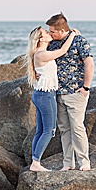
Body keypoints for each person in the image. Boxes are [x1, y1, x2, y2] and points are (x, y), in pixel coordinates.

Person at [24, 25, 78, 172]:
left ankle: (35, 161)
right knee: (49, 130)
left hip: (42, 94)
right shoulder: (41, 54)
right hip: (46, 95)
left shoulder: (41, 53)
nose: (49, 33)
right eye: (46, 32)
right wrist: (72, 35)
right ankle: (36, 163)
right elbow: (62, 51)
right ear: (40, 39)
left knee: (41, 131)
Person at [46, 12, 94, 171]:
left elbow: (89, 64)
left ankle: (84, 162)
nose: (50, 33)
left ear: (61, 30)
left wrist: (86, 87)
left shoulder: (79, 41)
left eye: (52, 31)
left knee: (77, 128)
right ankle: (68, 163)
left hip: (76, 92)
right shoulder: (52, 44)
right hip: (58, 93)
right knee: (64, 129)